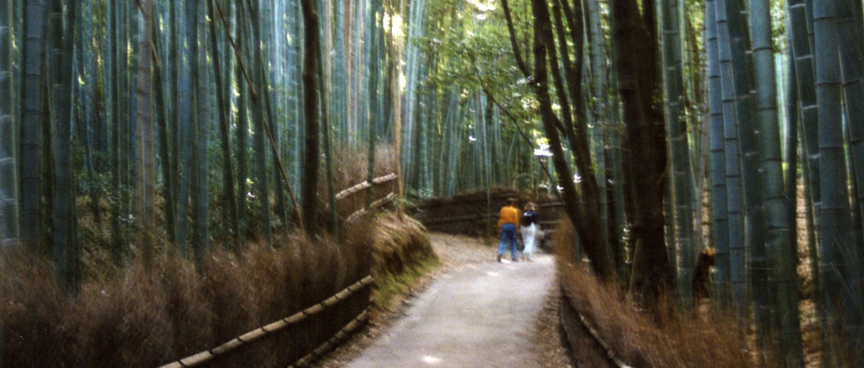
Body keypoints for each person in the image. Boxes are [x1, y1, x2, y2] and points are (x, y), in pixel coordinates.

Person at [497, 198, 520, 262]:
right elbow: (516, 220)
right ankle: (514, 256)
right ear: (512, 203)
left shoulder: (503, 209)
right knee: (513, 241)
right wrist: (517, 228)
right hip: (512, 226)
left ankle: (500, 253)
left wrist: (499, 227)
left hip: (504, 225)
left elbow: (500, 218)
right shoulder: (514, 210)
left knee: (503, 241)